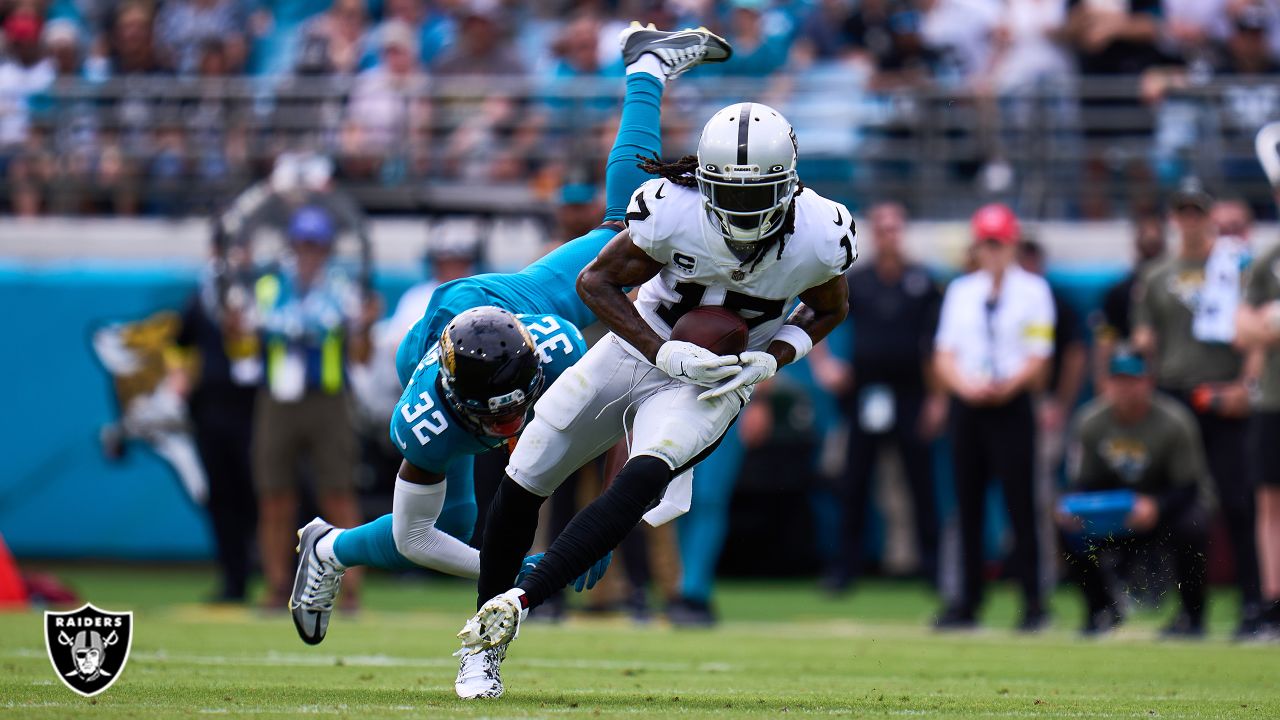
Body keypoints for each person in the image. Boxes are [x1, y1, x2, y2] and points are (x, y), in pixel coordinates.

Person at [287, 24, 733, 646]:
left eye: (514, 413)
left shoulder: (556, 348)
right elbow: (418, 539)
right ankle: (329, 548)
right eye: (493, 421)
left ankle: (646, 69)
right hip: (442, 342)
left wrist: (599, 516)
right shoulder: (426, 419)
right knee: (452, 523)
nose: (507, 430)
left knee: (631, 226)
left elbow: (615, 414)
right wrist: (534, 570)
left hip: (508, 305)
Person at [457, 99, 856, 698]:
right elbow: (595, 281)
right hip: (643, 343)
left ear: (789, 184)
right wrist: (661, 349)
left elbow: (831, 309)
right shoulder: (674, 210)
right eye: (731, 193)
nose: (744, 210)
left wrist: (773, 358)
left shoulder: (820, 235)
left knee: (643, 475)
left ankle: (515, 607)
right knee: (528, 464)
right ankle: (483, 649)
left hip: (720, 375)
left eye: (758, 195)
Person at [1131, 180, 1264, 637]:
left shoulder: (1236, 268)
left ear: (1207, 217)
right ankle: (1192, 610)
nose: (1190, 220)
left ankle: (1255, 605)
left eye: (1196, 212)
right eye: (1182, 212)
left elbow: (1256, 332)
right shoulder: (1155, 274)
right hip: (1174, 394)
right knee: (1183, 508)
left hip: (1221, 392)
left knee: (1240, 501)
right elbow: (1145, 341)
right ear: (1174, 218)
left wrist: (1246, 385)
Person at [932, 203, 1055, 632]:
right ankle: (965, 600)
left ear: (1012, 244)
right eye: (986, 244)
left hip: (1011, 405)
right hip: (970, 405)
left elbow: (1040, 356)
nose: (992, 252)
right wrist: (965, 387)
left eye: (999, 244)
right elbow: (944, 354)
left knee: (1022, 506)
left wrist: (1009, 385)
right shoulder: (961, 291)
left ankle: (1034, 601)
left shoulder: (1034, 291)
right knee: (966, 507)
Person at [250, 206, 377, 610]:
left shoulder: (343, 287)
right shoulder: (268, 286)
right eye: (303, 243)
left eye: (316, 244)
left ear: (326, 247)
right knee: (275, 496)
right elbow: (244, 342)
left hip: (328, 398)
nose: (308, 251)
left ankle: (351, 587)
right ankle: (276, 585)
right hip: (278, 398)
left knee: (338, 492)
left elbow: (360, 354)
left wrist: (366, 325)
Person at [812, 201, 943, 591]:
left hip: (910, 392)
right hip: (865, 392)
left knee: (922, 483)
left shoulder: (923, 281)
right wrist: (825, 366)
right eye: (882, 228)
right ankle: (845, 568)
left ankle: (933, 566)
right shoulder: (858, 279)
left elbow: (939, 343)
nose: (890, 235)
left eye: (895, 228)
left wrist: (938, 399)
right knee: (854, 481)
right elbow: (813, 311)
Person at [1058, 347, 1212, 636]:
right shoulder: (1090, 421)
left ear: (1148, 382)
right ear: (1106, 383)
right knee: (1069, 527)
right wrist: (1077, 508)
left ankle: (1192, 615)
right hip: (1113, 513)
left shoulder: (1175, 421)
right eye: (1118, 380)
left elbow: (1189, 487)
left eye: (1132, 380)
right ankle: (1101, 610)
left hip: (1164, 509)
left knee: (1194, 523)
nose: (1124, 388)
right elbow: (1083, 483)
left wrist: (1156, 506)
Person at [1236, 208, 1280, 634]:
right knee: (1269, 504)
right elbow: (1243, 328)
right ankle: (1272, 602)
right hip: (1272, 400)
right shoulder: (1270, 259)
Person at [1092, 210, 1166, 387]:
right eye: (1145, 233)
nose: (1150, 238)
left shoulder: (1176, 285)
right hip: (1131, 376)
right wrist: (1102, 380)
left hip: (1172, 373)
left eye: (1155, 232)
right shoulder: (1119, 291)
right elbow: (1106, 337)